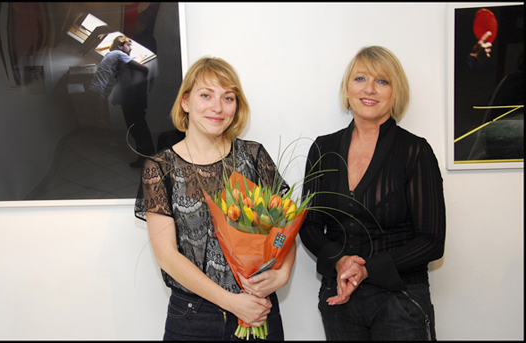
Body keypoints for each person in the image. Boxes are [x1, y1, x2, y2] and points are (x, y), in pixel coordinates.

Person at [135, 57, 295, 340]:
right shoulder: (160, 167)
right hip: (191, 317)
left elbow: (285, 229)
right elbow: (167, 256)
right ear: (185, 102)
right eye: (206, 95)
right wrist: (232, 303)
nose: (218, 108)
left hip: (258, 310)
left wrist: (281, 275)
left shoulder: (254, 157)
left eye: (228, 97)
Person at [299, 46, 446, 341]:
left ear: (395, 91)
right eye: (360, 79)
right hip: (339, 299)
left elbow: (431, 242)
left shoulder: (415, 151)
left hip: (401, 300)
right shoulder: (322, 149)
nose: (369, 89)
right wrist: (341, 261)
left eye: (382, 81)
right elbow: (309, 225)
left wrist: (366, 270)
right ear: (347, 88)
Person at [89, 35, 153, 167]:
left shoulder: (109, 56)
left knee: (135, 127)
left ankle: (145, 157)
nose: (130, 48)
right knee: (106, 122)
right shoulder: (118, 54)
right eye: (128, 45)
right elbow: (143, 69)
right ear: (119, 46)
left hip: (97, 92)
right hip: (99, 93)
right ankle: (112, 144)